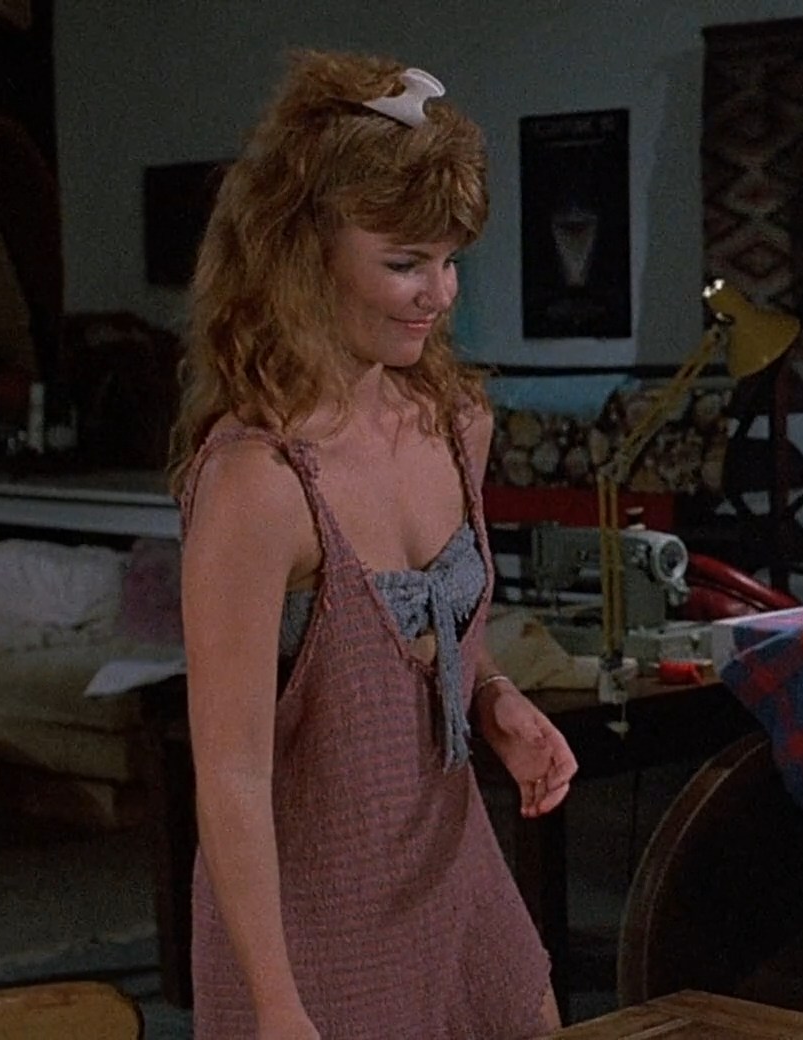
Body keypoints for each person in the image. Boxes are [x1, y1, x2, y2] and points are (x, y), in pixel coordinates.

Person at [167, 51, 578, 1040]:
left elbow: (443, 639)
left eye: (450, 260)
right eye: (405, 263)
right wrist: (275, 1005)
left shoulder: (457, 422)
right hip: (306, 922)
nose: (439, 292)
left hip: (454, 870)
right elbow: (230, 777)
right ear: (305, 254)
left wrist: (496, 698)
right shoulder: (259, 481)